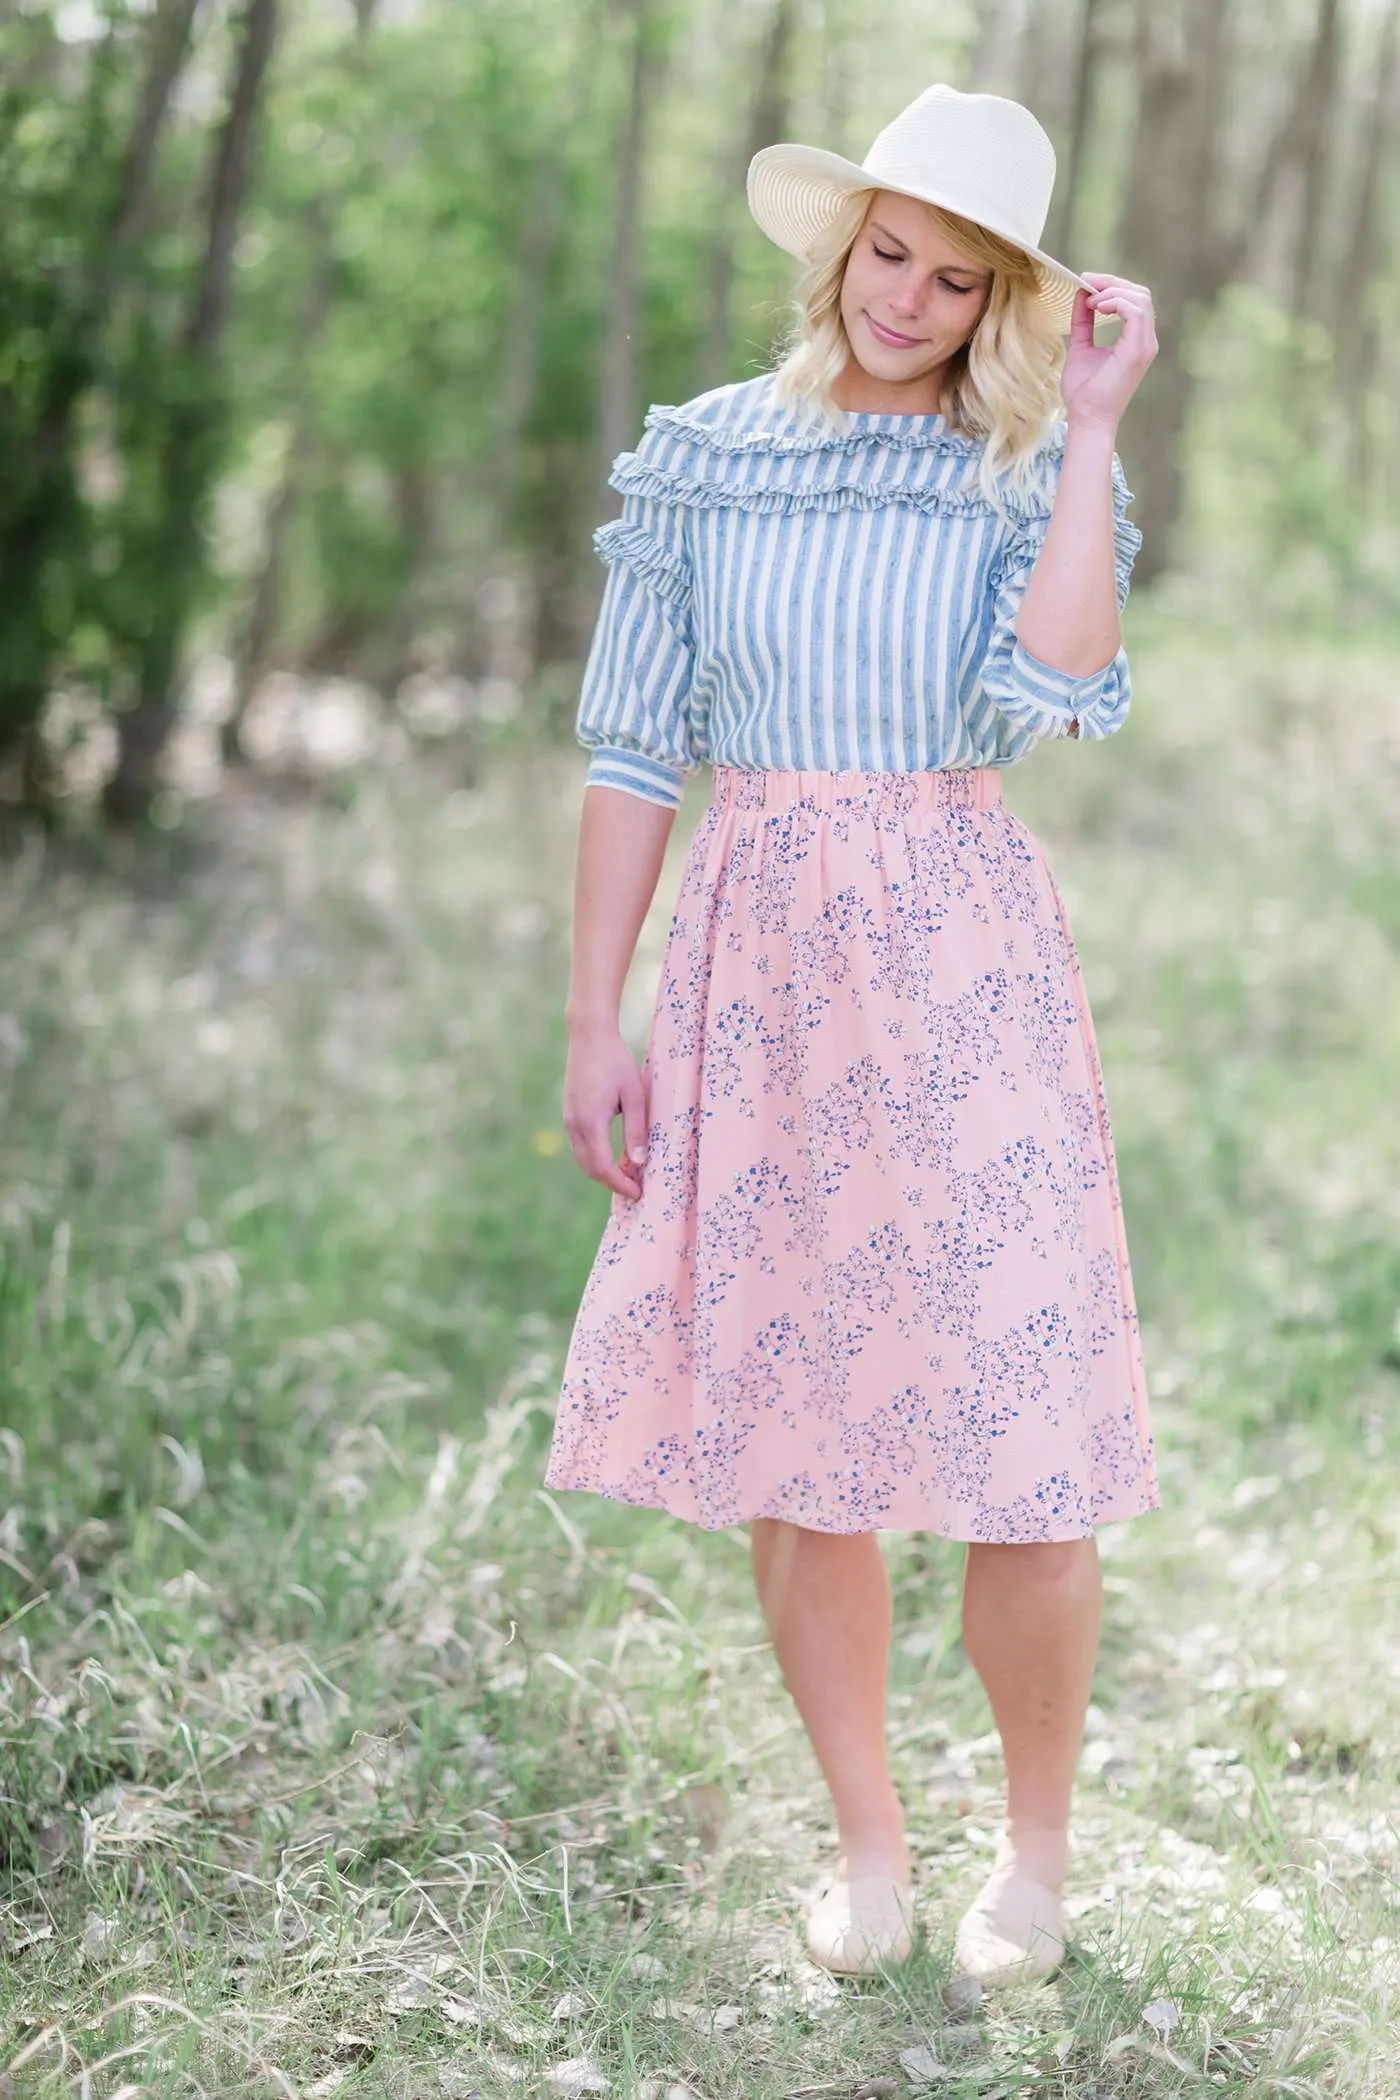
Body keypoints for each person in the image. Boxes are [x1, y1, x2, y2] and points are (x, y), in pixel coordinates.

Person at [545, 82, 1162, 1988]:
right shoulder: (707, 460)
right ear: (841, 246)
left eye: (956, 279)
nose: (907, 298)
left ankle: (1035, 1865)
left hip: (963, 959)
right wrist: (597, 1017)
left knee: (1021, 1433)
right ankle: (873, 1856)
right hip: (758, 977)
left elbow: (1057, 684)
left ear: (1002, 303)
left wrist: (1086, 434)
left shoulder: (1024, 470)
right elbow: (637, 751)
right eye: (889, 253)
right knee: (798, 1441)